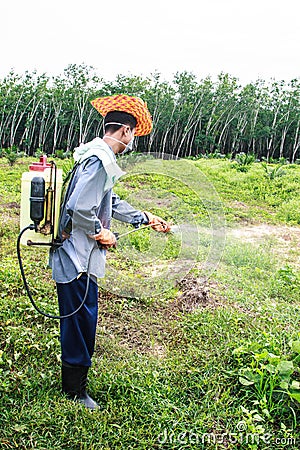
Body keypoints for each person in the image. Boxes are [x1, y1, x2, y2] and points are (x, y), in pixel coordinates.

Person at [50, 95, 171, 410]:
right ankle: (75, 392)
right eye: (134, 135)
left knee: (81, 317)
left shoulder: (93, 155)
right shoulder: (101, 160)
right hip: (77, 256)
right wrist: (99, 232)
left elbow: (109, 201)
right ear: (126, 132)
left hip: (76, 254)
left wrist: (145, 218)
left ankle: (75, 381)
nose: (133, 140)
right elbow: (79, 207)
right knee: (80, 320)